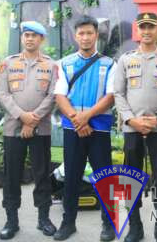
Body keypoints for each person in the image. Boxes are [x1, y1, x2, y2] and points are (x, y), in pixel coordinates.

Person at [113, 13, 157, 242]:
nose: (147, 31)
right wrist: (131, 120)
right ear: (137, 31)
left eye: (151, 27)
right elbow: (118, 94)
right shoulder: (125, 60)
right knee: (130, 178)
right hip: (132, 128)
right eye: (143, 27)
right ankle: (135, 226)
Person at [53, 15, 117, 242]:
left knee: (104, 177)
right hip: (73, 129)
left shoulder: (109, 64)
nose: (86, 37)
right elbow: (59, 96)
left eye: (90, 33)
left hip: (99, 129)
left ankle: (108, 224)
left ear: (96, 35)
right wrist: (77, 120)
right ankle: (68, 223)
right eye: (81, 33)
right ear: (75, 36)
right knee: (71, 176)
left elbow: (111, 96)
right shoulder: (64, 63)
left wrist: (86, 118)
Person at [0, 21, 58, 239]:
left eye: (34, 35)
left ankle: (44, 219)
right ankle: (11, 221)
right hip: (13, 129)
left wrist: (32, 121)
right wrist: (23, 117)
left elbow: (53, 96)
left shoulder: (51, 65)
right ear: (22, 38)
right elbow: (3, 94)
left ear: (42, 39)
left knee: (42, 175)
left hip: (41, 130)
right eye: (26, 35)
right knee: (11, 176)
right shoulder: (8, 63)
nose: (29, 38)